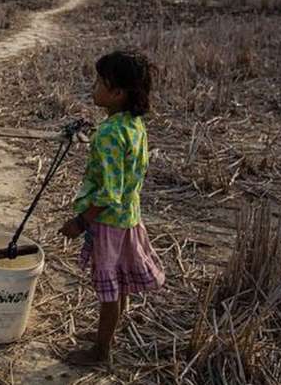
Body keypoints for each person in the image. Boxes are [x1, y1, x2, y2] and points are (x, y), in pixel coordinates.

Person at [59, 50, 166, 365]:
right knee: (120, 286)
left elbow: (108, 194)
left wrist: (79, 223)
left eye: (98, 82)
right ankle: (108, 333)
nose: (93, 87)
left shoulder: (108, 134)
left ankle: (100, 351)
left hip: (108, 223)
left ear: (117, 93)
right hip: (129, 219)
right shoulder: (133, 125)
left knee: (108, 293)